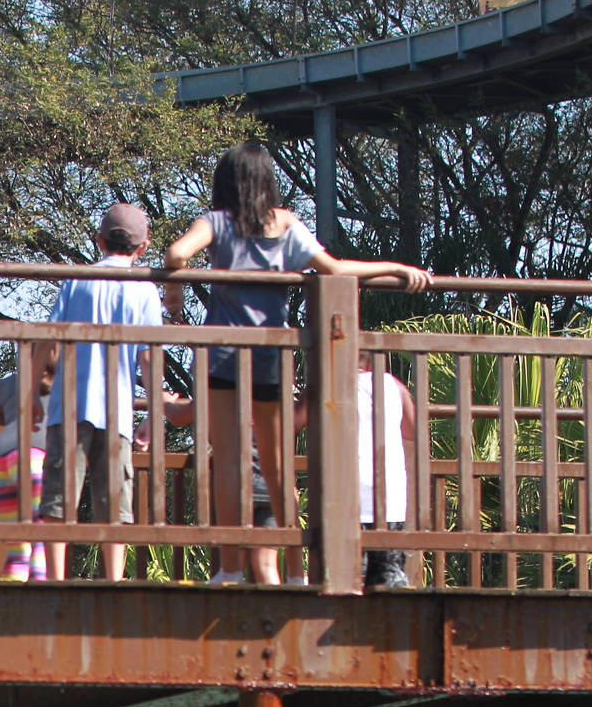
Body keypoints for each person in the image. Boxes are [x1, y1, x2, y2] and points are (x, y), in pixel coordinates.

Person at [163, 141, 430, 584]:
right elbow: (337, 270)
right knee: (276, 463)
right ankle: (294, 571)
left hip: (222, 354)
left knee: (229, 463)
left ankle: (229, 570)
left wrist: (174, 291)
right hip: (270, 355)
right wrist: (396, 268)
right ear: (267, 180)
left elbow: (176, 254)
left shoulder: (216, 222)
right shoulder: (286, 224)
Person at [34, 203, 164, 584]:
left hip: (68, 405)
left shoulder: (77, 279)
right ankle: (114, 580)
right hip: (118, 408)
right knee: (114, 502)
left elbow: (49, 337)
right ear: (143, 248)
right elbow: (150, 359)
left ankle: (55, 580)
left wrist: (29, 393)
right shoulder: (143, 288)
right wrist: (152, 416)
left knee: (59, 499)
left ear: (99, 240)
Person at [0, 373, 49, 584]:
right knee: (40, 539)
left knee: (17, 547)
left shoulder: (10, 381)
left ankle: (10, 608)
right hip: (34, 455)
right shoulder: (69, 381)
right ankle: (42, 606)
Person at [359, 350, 418, 587]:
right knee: (389, 580)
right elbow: (413, 431)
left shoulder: (332, 382)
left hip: (345, 502)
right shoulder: (393, 385)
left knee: (349, 581)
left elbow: (297, 421)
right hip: (389, 499)